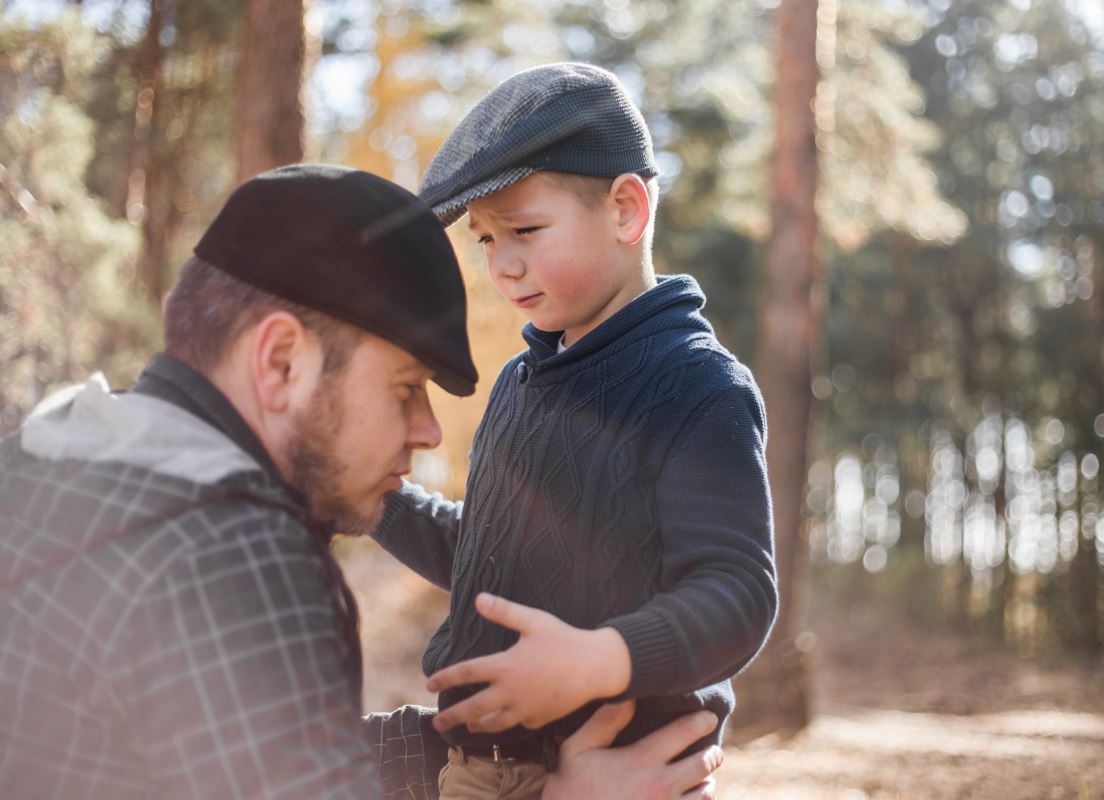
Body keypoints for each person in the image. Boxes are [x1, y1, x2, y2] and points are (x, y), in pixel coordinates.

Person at [0, 164, 722, 799]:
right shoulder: (235, 559)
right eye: (406, 386)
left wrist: (470, 749)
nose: (428, 431)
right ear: (282, 362)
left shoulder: (55, 463)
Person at [370, 63, 778, 799]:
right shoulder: (518, 385)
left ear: (627, 210)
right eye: (486, 239)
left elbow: (738, 591)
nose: (504, 264)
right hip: (479, 767)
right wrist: (372, 497)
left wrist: (600, 660)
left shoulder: (696, 386)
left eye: (525, 230)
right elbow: (490, 557)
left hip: (620, 766)